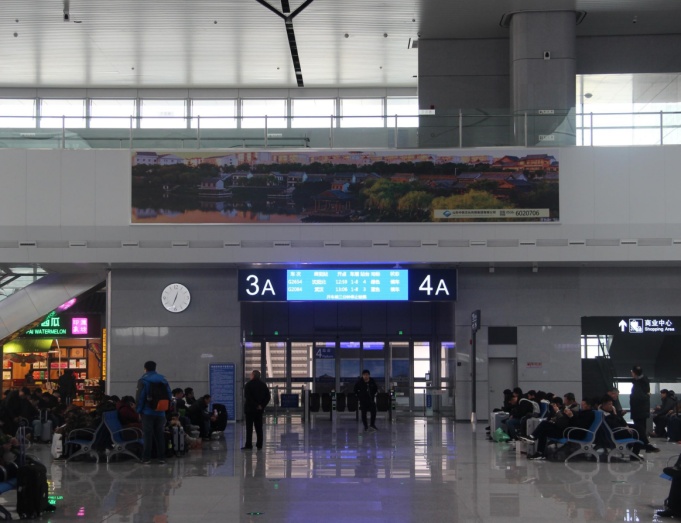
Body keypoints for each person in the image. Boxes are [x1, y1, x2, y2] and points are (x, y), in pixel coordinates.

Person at [136, 361, 172, 464]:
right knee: (160, 435)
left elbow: (140, 397)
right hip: (161, 412)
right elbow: (169, 395)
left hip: (147, 412)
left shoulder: (143, 380)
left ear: (145, 369)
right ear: (155, 368)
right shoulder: (163, 380)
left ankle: (146, 458)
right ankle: (162, 458)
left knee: (147, 435)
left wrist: (138, 411)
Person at [630, 365, 660, 453]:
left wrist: (632, 397)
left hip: (638, 410)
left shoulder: (639, 383)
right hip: (642, 410)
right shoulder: (643, 381)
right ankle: (642, 447)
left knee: (640, 430)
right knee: (641, 429)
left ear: (634, 373)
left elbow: (639, 397)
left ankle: (646, 445)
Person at [242, 370, 271, 450]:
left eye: (251, 375)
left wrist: (255, 405)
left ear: (253, 375)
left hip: (250, 410)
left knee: (249, 428)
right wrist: (261, 405)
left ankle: (249, 445)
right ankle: (259, 444)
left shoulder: (248, 385)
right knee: (259, 428)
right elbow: (268, 397)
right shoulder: (263, 385)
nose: (250, 376)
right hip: (259, 411)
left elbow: (248, 397)